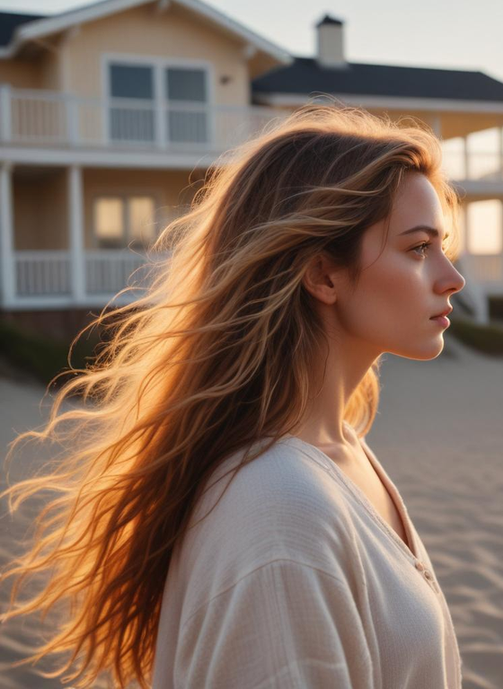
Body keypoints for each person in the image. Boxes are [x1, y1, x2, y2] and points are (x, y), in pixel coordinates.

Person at [0, 102, 465, 688]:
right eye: (418, 248)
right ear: (323, 274)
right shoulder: (281, 508)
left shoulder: (339, 452)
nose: (453, 276)